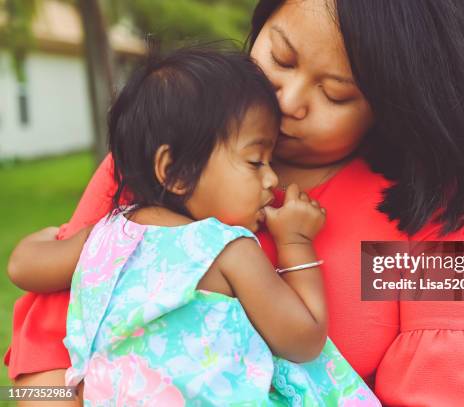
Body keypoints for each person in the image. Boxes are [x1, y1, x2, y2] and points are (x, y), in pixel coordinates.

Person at [6, 0, 464, 405]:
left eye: (336, 94)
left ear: (393, 104)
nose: (288, 100)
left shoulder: (427, 215)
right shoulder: (168, 155)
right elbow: (54, 336)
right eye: (280, 58)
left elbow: (448, 387)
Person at [10, 47, 379, 405]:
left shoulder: (108, 234)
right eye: (255, 161)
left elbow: (22, 267)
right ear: (175, 172)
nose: (271, 179)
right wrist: (296, 241)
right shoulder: (227, 249)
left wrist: (53, 234)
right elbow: (304, 340)